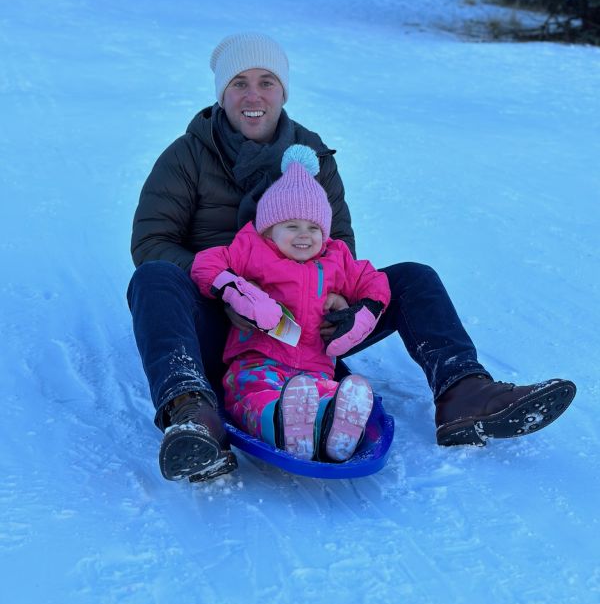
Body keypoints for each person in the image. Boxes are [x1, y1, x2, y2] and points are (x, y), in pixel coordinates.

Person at [128, 32, 576, 483]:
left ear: (283, 90)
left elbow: (337, 242)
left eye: (267, 81)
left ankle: (463, 391)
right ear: (222, 93)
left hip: (306, 320)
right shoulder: (187, 156)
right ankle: (191, 412)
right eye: (239, 83)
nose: (253, 95)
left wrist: (345, 301)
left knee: (413, 279)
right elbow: (152, 240)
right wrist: (230, 291)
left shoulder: (312, 154)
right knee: (153, 277)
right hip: (226, 316)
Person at [190, 144, 391, 466]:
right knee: (253, 395)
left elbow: (373, 280)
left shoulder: (335, 257)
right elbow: (205, 264)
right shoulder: (252, 250)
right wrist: (238, 290)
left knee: (325, 393)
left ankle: (333, 428)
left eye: (313, 228)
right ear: (269, 229)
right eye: (292, 226)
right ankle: (280, 423)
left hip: (314, 367)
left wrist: (362, 311)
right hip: (258, 360)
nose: (304, 236)